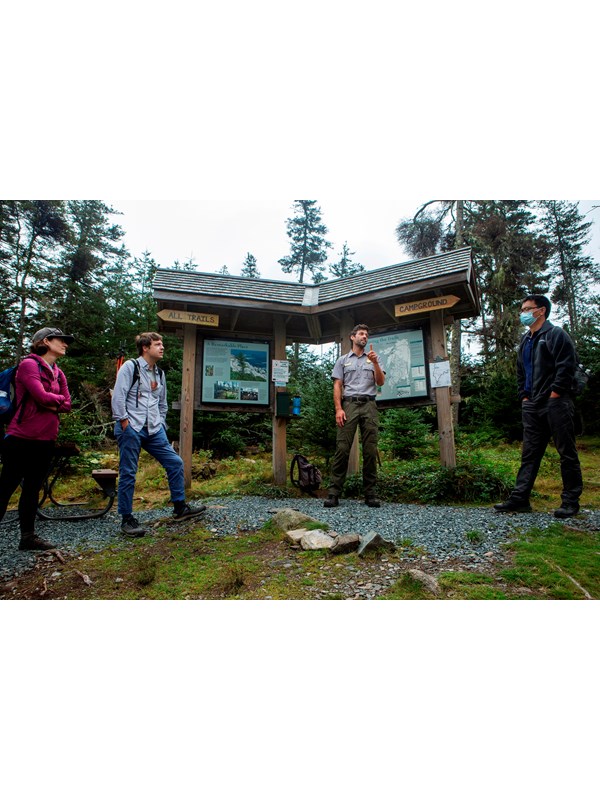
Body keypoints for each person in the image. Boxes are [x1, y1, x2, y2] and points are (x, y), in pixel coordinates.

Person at [494, 295, 583, 518]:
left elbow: (566, 366)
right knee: (530, 453)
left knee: (567, 452)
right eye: (521, 309)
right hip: (531, 405)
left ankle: (570, 502)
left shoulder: (556, 335)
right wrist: (524, 397)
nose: (522, 313)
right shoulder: (525, 340)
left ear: (541, 310)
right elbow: (520, 372)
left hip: (556, 403)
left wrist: (555, 394)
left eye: (527, 308)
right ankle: (520, 498)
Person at [111, 332, 206, 536]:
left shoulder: (159, 373)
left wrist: (161, 423)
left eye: (162, 344)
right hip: (131, 427)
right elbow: (118, 396)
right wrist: (124, 422)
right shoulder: (130, 367)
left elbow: (162, 402)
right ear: (145, 348)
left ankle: (180, 507)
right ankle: (127, 518)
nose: (162, 347)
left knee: (175, 462)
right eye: (157, 344)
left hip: (154, 428)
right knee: (128, 472)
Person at [0, 327, 73, 550]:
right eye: (61, 340)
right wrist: (53, 401)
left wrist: (52, 401)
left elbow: (67, 404)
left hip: (46, 439)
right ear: (45, 342)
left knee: (33, 488)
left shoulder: (58, 372)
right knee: (6, 488)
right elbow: (40, 396)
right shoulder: (29, 365)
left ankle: (28, 537)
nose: (65, 344)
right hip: (21, 438)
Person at [324, 324, 385, 508]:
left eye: (366, 334)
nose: (364, 336)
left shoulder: (373, 358)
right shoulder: (342, 361)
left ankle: (370, 494)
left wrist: (375, 363)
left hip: (369, 405)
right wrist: (338, 409)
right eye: (361, 334)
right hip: (349, 405)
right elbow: (337, 385)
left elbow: (380, 382)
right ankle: (334, 493)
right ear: (353, 337)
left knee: (370, 450)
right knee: (342, 449)